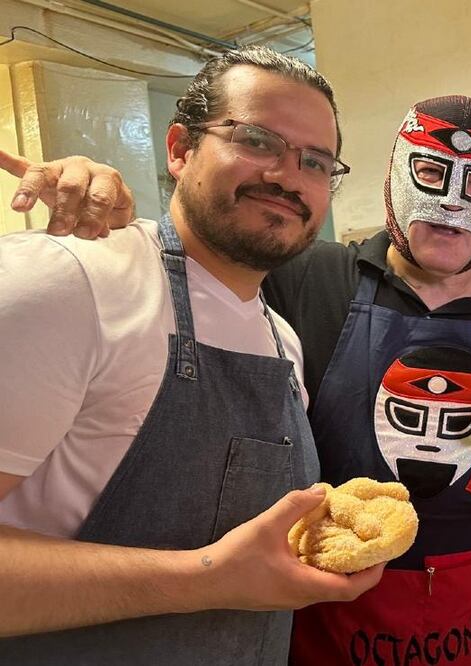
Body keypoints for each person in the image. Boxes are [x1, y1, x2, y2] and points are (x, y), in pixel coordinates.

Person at [7, 93, 471, 666]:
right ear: (393, 178)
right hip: (324, 603)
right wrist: (104, 200)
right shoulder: (302, 277)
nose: (452, 203)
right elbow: (197, 257)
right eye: (431, 174)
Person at [0, 46, 384, 665]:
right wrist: (203, 579)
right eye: (257, 140)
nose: (288, 177)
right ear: (180, 149)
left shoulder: (282, 342)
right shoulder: (69, 282)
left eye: (314, 161)